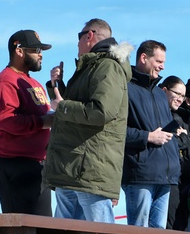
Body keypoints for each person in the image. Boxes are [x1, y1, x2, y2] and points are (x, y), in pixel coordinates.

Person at [44, 18, 133, 222]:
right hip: (74, 166)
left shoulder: (107, 67)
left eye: (79, 37)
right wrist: (56, 86)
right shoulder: (92, 67)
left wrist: (62, 106)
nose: (77, 44)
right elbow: (78, 110)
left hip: (89, 168)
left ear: (89, 35)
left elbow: (101, 112)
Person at [0, 30, 54, 216]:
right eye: (35, 49)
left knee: (43, 232)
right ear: (19, 51)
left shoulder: (34, 83)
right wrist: (42, 122)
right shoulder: (5, 82)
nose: (40, 54)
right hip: (13, 163)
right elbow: (6, 120)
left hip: (34, 164)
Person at [122, 40, 179, 228]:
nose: (163, 67)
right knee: (138, 233)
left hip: (165, 175)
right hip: (140, 175)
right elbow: (115, 131)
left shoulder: (161, 94)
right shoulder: (125, 88)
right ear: (143, 58)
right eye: (159, 61)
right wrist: (148, 137)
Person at [159, 75, 190, 230]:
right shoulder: (158, 113)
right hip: (164, 177)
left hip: (179, 178)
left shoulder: (179, 117)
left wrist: (184, 138)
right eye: (177, 94)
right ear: (164, 90)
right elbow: (168, 143)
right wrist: (183, 137)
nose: (180, 99)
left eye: (183, 96)